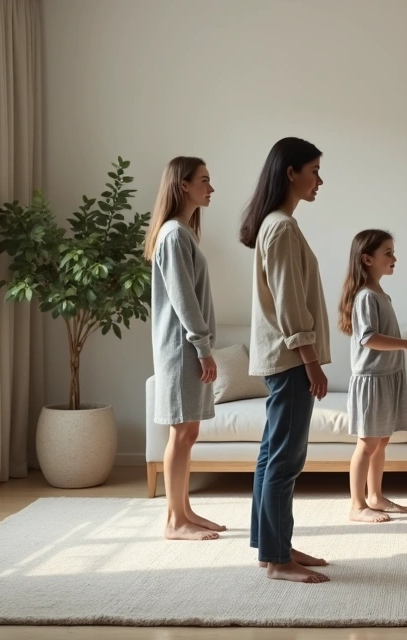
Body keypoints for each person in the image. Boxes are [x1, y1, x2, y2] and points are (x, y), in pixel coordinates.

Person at [240, 137, 331, 583]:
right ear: (291, 172)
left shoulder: (276, 225)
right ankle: (278, 561)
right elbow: (289, 303)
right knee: (284, 460)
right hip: (291, 358)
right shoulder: (281, 227)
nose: (320, 180)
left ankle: (272, 548)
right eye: (314, 170)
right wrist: (311, 360)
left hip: (285, 357)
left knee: (271, 456)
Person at [146, 156, 223, 541]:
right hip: (181, 349)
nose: (210, 188)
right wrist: (202, 347)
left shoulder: (182, 233)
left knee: (188, 433)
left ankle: (185, 511)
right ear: (183, 185)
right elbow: (183, 299)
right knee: (182, 433)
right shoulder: (175, 234)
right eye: (204, 181)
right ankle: (174, 522)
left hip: (185, 347)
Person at [337, 229, 407, 523]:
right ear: (367, 259)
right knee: (367, 443)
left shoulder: (380, 293)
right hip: (372, 379)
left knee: (382, 442)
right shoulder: (366, 296)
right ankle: (357, 505)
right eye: (388, 253)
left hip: (388, 376)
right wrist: (405, 344)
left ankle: (375, 496)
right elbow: (367, 338)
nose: (394, 258)